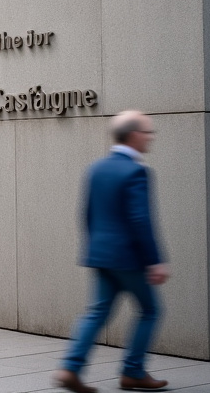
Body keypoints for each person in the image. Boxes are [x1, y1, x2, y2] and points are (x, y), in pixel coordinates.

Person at [54, 111, 170, 393]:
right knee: (150, 310)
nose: (150, 137)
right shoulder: (136, 171)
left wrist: (95, 247)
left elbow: (87, 213)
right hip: (128, 257)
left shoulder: (96, 168)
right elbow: (141, 220)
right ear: (133, 135)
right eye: (147, 132)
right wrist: (155, 261)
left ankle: (70, 367)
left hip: (101, 254)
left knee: (96, 312)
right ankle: (133, 371)